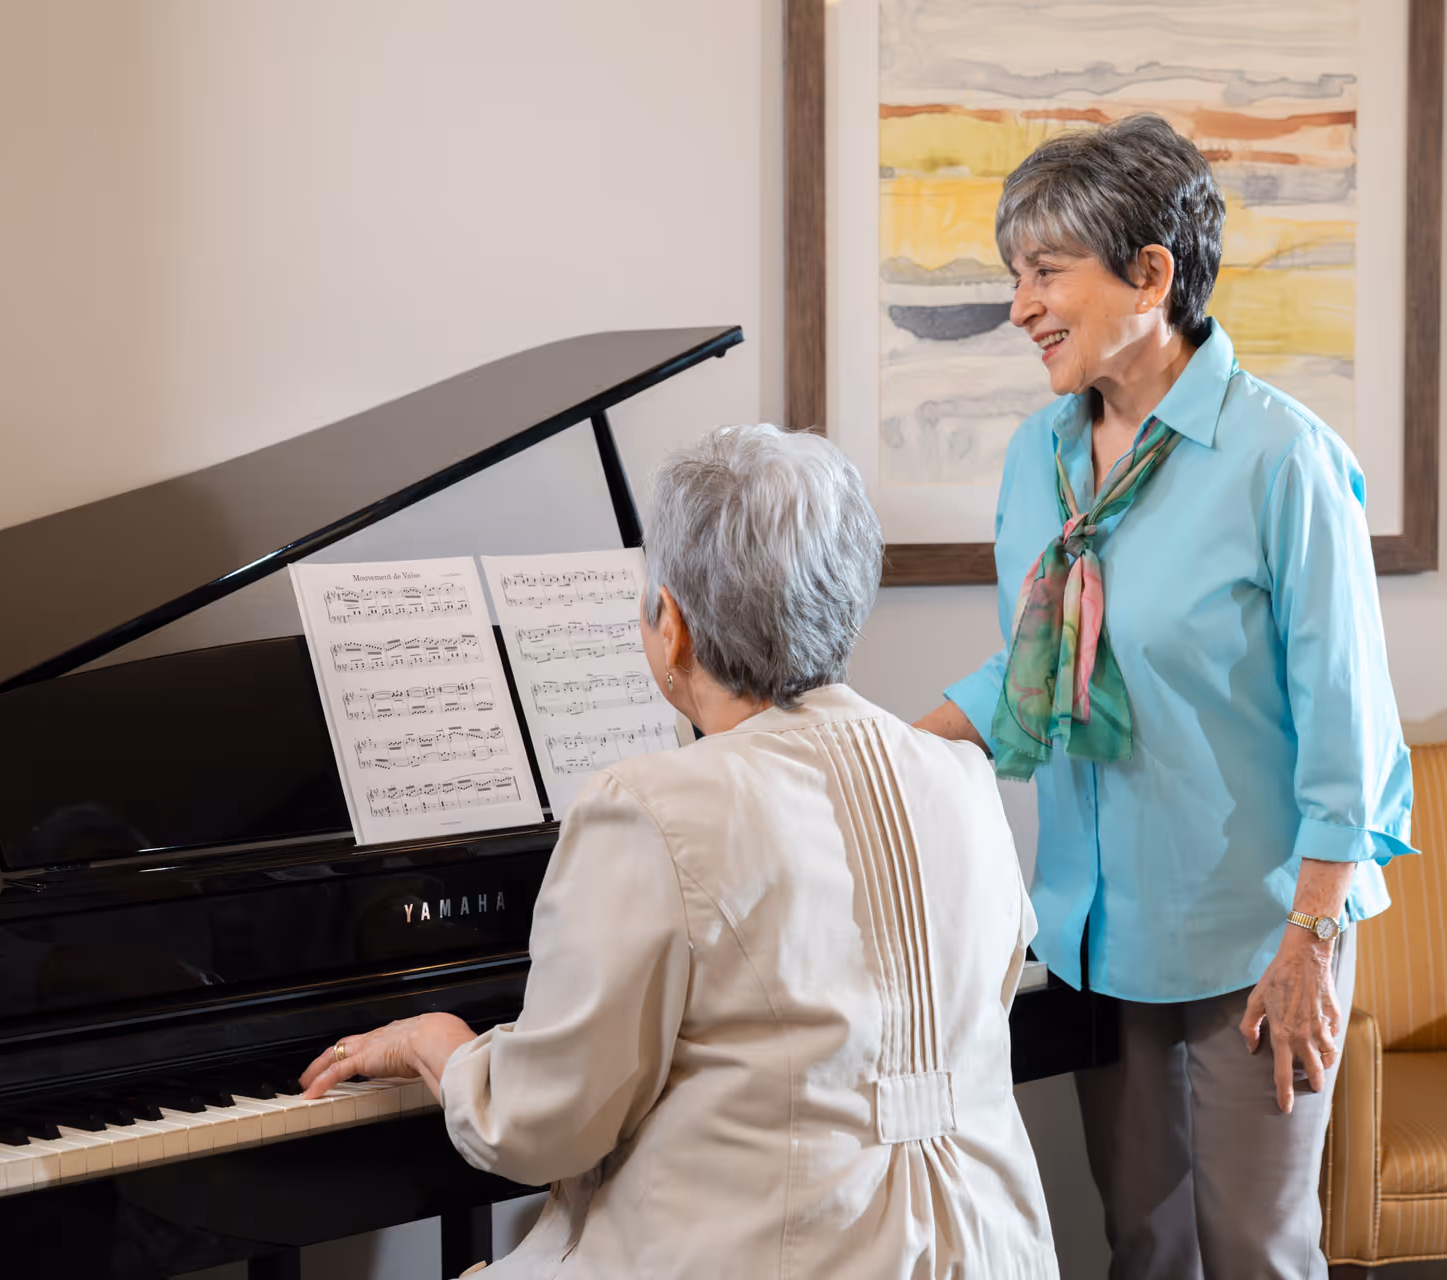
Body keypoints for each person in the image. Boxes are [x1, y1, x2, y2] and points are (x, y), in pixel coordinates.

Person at [302, 424, 1058, 1279]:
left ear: (675, 628)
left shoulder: (654, 807)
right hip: (988, 1252)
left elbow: (540, 1128)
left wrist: (443, 1042)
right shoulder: (961, 778)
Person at [914, 115, 1416, 1279]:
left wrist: (1310, 938)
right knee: (1143, 1249)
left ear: (1152, 273)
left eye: (1046, 272)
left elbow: (1352, 729)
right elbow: (1041, 672)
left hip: (1260, 932)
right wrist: (861, 753)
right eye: (1013, 276)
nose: (1020, 305)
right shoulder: (1039, 457)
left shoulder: (1282, 459)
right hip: (1101, 930)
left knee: (1255, 1253)